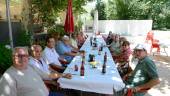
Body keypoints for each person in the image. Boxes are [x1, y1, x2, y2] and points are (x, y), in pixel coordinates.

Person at [0, 47, 72, 96]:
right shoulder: (8, 77)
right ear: (12, 57)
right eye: (18, 56)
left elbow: (47, 75)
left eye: (25, 55)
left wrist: (63, 75)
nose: (22, 58)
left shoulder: (30, 67)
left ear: (28, 57)